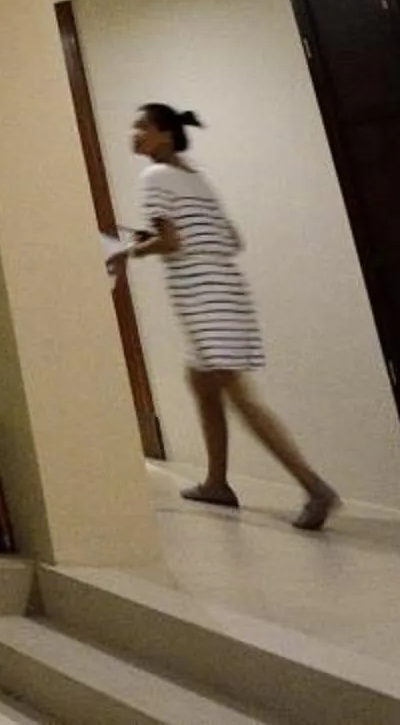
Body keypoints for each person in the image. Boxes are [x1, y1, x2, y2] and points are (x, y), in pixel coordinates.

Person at [110, 102, 340, 531]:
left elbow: (172, 242)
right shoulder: (194, 177)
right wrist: (163, 240)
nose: (134, 133)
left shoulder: (154, 177)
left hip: (202, 296)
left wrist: (130, 251)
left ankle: (312, 486)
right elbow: (231, 238)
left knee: (238, 393)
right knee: (200, 381)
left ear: (163, 133)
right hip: (226, 289)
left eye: (141, 126)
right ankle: (217, 482)